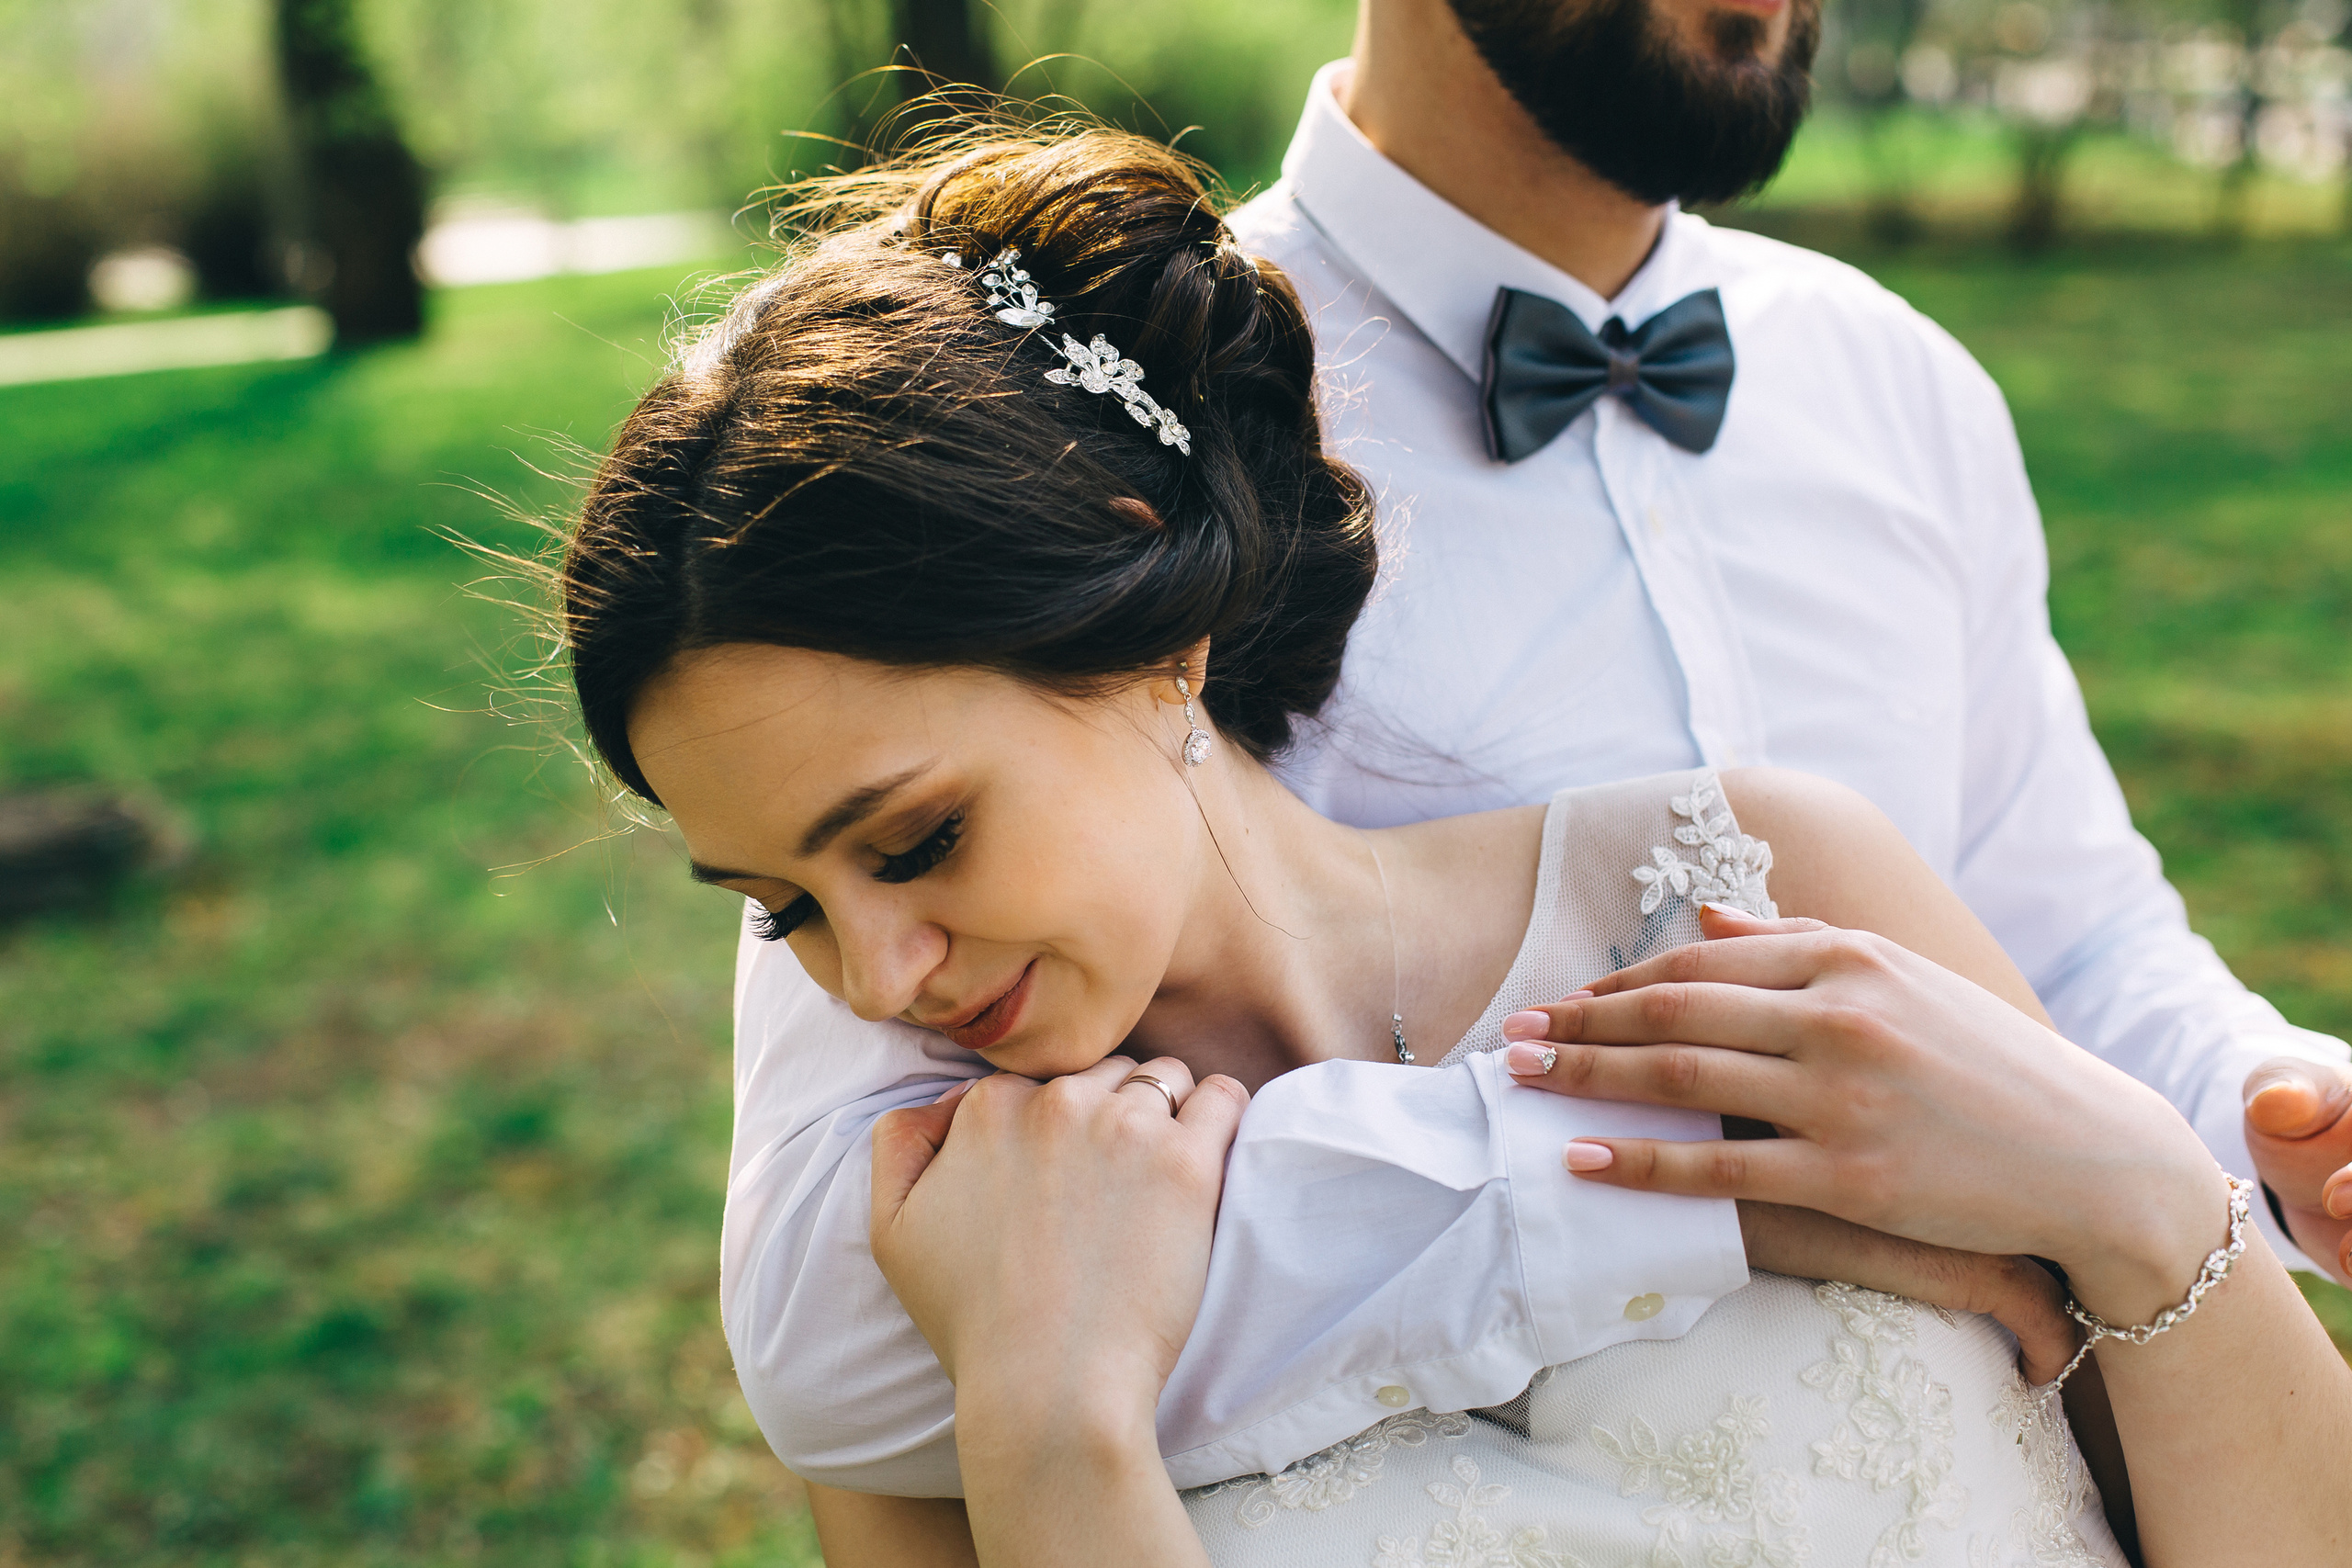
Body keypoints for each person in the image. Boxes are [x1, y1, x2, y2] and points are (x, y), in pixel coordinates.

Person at [555, 124, 2352, 1563]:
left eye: (922, 839)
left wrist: (2146, 1176)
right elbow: (827, 1389)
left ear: (1147, 625)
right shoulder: (956, 1246)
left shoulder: (1763, 878)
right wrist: (1050, 1436)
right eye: (782, 902)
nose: (876, 975)